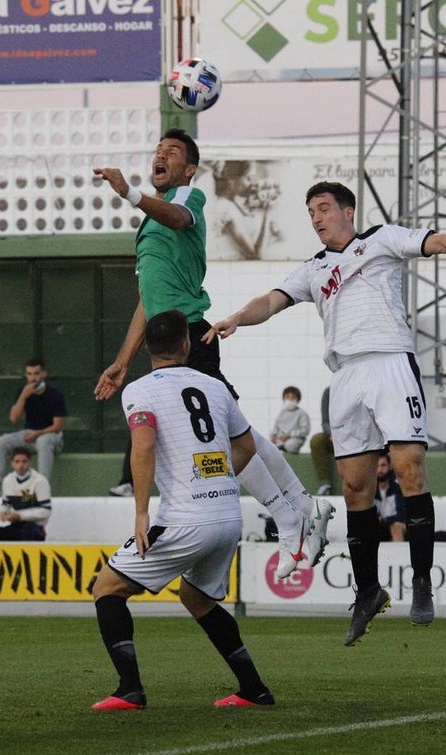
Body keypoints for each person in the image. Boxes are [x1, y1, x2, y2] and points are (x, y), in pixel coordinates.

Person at [205, 180, 446, 645]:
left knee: (408, 468)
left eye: (324, 208)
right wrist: (237, 318)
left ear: (348, 210)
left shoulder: (380, 240)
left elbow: (432, 241)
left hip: (389, 362)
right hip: (344, 376)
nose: (317, 218)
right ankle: (368, 591)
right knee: (354, 486)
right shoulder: (314, 269)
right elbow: (271, 300)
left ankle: (421, 580)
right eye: (311, 213)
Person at [93, 128, 332, 579]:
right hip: (165, 342)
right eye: (158, 150)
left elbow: (181, 218)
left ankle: (291, 515)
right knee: (236, 436)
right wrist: (123, 361)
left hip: (189, 339)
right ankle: (299, 510)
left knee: (228, 439)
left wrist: (128, 192)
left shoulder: (190, 198)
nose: (161, 154)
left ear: (189, 168)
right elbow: (148, 299)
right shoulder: (151, 228)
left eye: (174, 152)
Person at [91, 310, 274, 710]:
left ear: (148, 350)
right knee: (198, 599)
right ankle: (254, 689)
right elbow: (246, 446)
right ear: (187, 345)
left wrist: (141, 513)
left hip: (186, 519)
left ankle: (130, 690)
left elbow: (142, 446)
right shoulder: (214, 386)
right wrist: (220, 477)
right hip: (228, 516)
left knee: (106, 588)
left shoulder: (140, 390)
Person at [0, 359, 65, 496]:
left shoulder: (55, 394)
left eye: (36, 373)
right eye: (29, 374)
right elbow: (14, 418)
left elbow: (58, 425)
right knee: (0, 442)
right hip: (29, 434)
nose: (33, 378)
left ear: (43, 374)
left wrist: (37, 434)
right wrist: (23, 397)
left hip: (51, 435)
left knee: (43, 441)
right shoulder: (23, 391)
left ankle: (42, 487)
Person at [0, 448, 52, 541]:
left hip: (35, 528)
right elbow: (6, 503)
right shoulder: (8, 480)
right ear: (12, 463)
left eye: (24, 461)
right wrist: (3, 512)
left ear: (30, 463)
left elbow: (46, 511)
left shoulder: (39, 481)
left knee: (28, 531)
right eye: (17, 462)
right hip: (15, 526)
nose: (20, 465)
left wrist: (20, 516)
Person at [374, 453, 407, 542]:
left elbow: (402, 515)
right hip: (380, 527)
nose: (380, 470)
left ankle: (399, 554)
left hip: (399, 525)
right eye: (377, 466)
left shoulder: (398, 488)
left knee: (395, 527)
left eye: (383, 465)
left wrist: (384, 520)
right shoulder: (371, 491)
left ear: (390, 466)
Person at [270, 385, 311, 454]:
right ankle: (279, 448)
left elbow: (305, 430)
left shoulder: (302, 414)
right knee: (269, 445)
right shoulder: (282, 413)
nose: (290, 400)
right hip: (281, 438)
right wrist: (274, 435)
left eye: (293, 398)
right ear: (284, 398)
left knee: (290, 445)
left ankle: (283, 448)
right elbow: (276, 427)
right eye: (287, 397)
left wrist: (290, 435)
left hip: (295, 438)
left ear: (298, 399)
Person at [309, 387, 335, 495]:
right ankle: (325, 484)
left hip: (354, 438)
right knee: (317, 440)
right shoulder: (329, 392)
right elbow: (325, 422)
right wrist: (332, 433)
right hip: (333, 436)